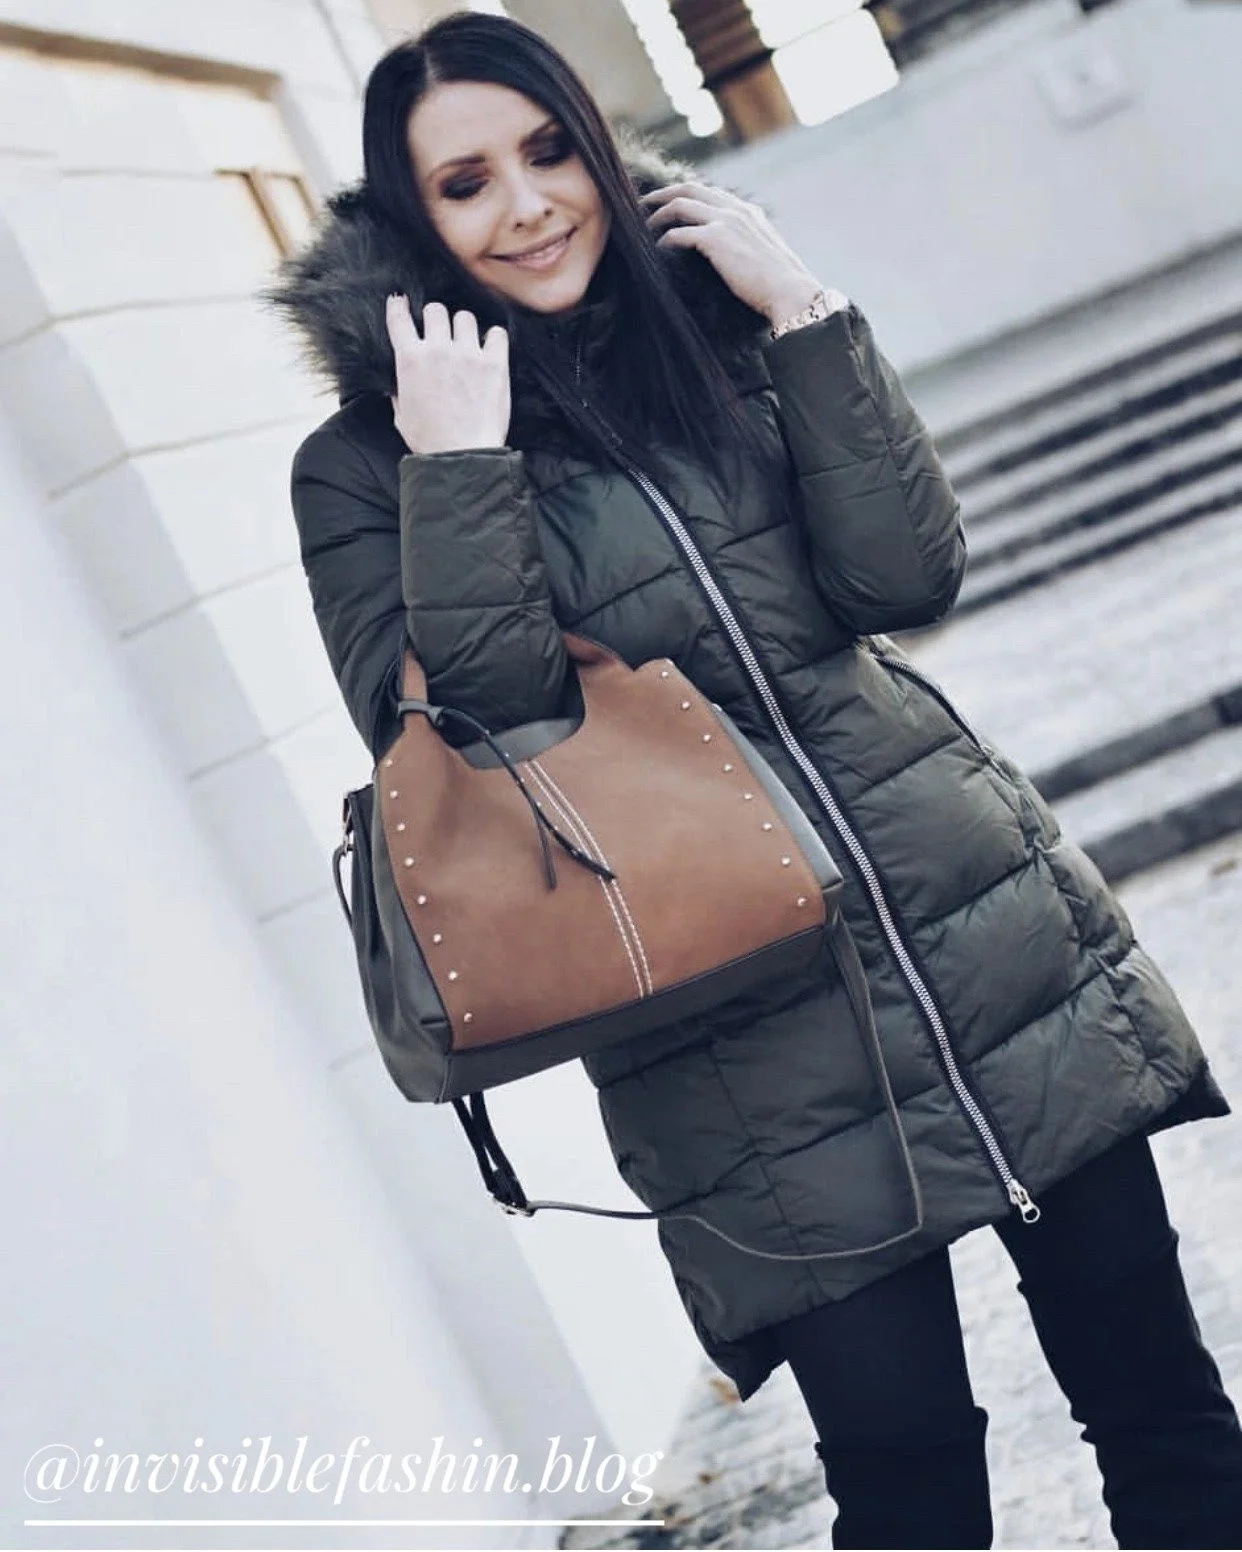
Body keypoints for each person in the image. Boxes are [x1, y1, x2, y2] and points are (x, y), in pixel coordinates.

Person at [267, 11, 1242, 1546]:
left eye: (547, 152)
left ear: (598, 151)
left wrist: (803, 316)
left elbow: (901, 579)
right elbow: (482, 731)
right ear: (411, 219)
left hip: (987, 941)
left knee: (1163, 1411)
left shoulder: (712, 328)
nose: (525, 205)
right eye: (465, 183)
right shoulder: (364, 466)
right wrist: (458, 468)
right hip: (730, 1042)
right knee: (909, 1491)